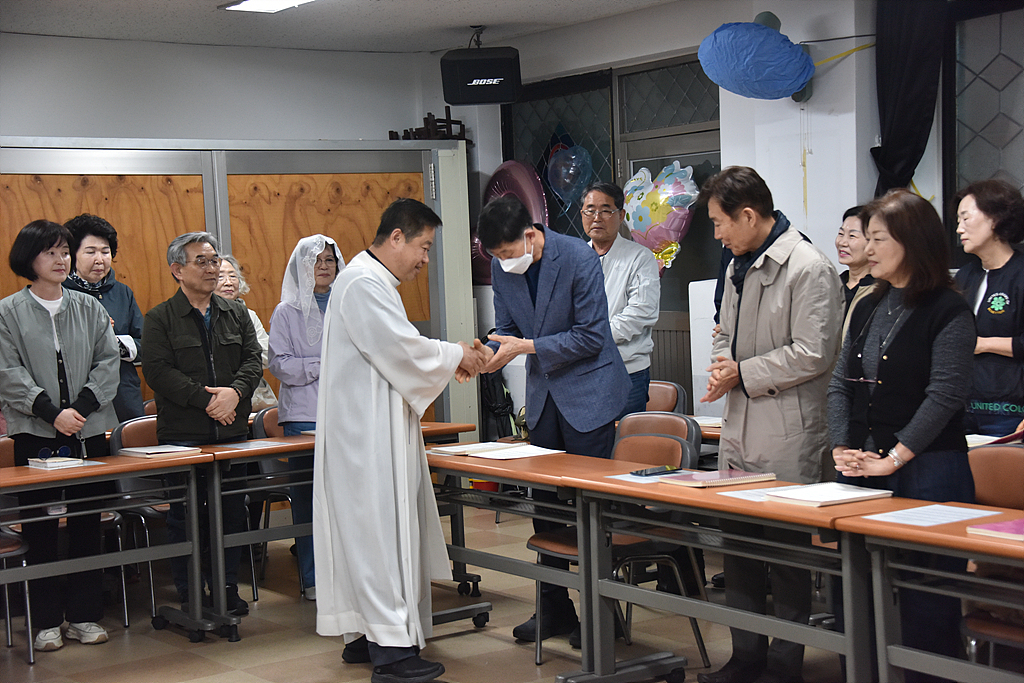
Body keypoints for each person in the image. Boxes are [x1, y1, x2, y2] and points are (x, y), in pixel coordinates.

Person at [313, 198, 487, 683]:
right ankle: (390, 654)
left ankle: (367, 636)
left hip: (369, 431)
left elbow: (398, 352)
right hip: (365, 440)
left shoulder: (368, 280)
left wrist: (451, 359)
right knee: (377, 539)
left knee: (371, 537)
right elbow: (401, 347)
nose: (425, 259)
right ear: (395, 238)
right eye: (423, 247)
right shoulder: (363, 283)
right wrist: (457, 355)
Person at [697, 166, 843, 683]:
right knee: (738, 549)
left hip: (788, 430)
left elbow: (814, 352)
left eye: (719, 223)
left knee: (785, 556)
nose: (717, 235)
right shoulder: (738, 263)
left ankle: (784, 665)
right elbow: (723, 330)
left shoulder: (809, 267)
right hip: (739, 426)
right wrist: (723, 366)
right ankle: (745, 657)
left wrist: (744, 372)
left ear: (748, 215)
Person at [828, 189, 976, 683]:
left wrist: (894, 457)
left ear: (912, 242)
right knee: (853, 590)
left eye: (878, 239)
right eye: (866, 238)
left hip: (930, 471)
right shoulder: (869, 303)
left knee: (925, 600)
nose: (867, 249)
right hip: (863, 468)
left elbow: (945, 395)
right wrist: (840, 445)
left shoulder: (949, 310)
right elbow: (840, 383)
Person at [476, 194, 630, 645]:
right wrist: (486, 355)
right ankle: (555, 608)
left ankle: (603, 616)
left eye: (508, 253)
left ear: (530, 235)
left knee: (590, 511)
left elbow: (591, 336)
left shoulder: (578, 258)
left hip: (590, 397)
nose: (505, 263)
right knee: (545, 510)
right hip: (545, 399)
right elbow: (507, 331)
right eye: (497, 257)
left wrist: (527, 347)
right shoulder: (503, 267)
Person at [0, 220, 121, 651]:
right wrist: (53, 415)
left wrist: (80, 410)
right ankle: (46, 621)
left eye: (64, 251)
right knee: (43, 529)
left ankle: (85, 615)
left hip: (89, 431)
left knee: (88, 524)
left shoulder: (88, 307)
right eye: (50, 252)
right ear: (28, 258)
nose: (60, 259)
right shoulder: (8, 311)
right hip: (36, 432)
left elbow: (108, 361)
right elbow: (8, 373)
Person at [141, 232, 264, 615]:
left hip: (232, 432)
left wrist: (234, 394)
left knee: (231, 513)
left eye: (214, 260)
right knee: (186, 518)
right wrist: (209, 401)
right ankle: (191, 591)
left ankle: (226, 587)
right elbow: (159, 372)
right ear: (177, 270)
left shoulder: (236, 313)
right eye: (202, 262)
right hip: (183, 437)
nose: (212, 269)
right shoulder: (160, 318)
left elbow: (253, 360)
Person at [268, 234, 343, 602]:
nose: (323, 266)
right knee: (309, 501)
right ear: (302, 267)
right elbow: (281, 364)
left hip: (346, 414)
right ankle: (313, 579)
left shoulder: (347, 304)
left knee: (345, 501)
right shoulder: (286, 311)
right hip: (304, 417)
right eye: (316, 260)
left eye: (329, 260)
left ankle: (347, 576)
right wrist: (324, 364)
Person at [581, 181, 660, 418]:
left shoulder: (640, 257)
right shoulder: (575, 258)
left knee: (624, 439)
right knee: (585, 438)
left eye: (605, 210)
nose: (597, 218)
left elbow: (641, 313)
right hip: (581, 371)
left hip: (626, 371)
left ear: (621, 215)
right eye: (590, 211)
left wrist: (590, 338)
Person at [953, 179, 1024, 436]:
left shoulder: (1020, 274)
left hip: (1009, 410)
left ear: (994, 219)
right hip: (961, 407)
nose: (959, 228)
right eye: (958, 221)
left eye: (965, 218)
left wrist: (983, 344)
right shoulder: (965, 275)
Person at [62, 214, 146, 423]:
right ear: (72, 254)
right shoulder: (59, 293)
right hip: (78, 398)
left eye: (105, 252)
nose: (99, 259)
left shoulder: (123, 293)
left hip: (123, 396)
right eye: (90, 252)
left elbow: (145, 344)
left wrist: (113, 342)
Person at [216, 255, 278, 412]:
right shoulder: (203, 317)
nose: (228, 282)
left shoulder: (249, 315)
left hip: (257, 397)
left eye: (233, 276)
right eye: (220, 277)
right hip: (219, 398)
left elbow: (266, 354)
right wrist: (246, 354)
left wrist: (236, 355)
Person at [834, 205, 875, 314]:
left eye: (852, 236)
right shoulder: (834, 284)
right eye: (841, 234)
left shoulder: (879, 290)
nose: (842, 242)